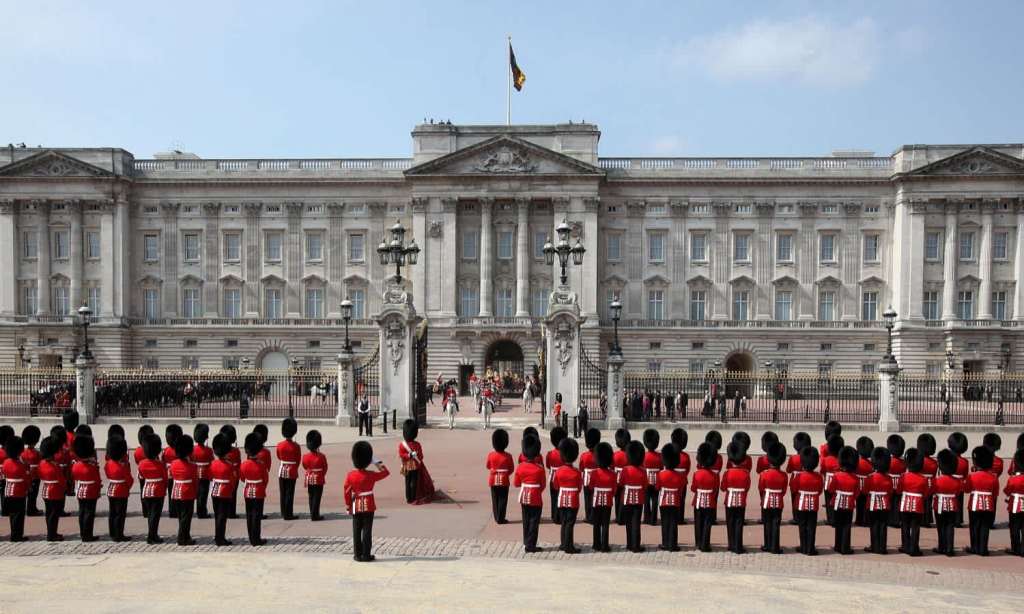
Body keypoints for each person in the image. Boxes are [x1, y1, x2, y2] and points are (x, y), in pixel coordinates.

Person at [344, 440, 390, 562]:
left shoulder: (350, 475)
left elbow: (347, 491)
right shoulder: (371, 475)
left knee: (356, 530)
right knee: (367, 531)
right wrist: (376, 461)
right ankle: (366, 554)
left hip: (356, 504)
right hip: (368, 504)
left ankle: (357, 554)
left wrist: (348, 505)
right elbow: (386, 472)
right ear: (367, 460)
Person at [513, 434, 545, 553]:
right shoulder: (539, 468)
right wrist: (535, 490)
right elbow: (543, 486)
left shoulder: (520, 467)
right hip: (536, 495)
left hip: (524, 495)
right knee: (534, 521)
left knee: (526, 519)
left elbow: (516, 483)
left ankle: (527, 541)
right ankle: (531, 545)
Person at [965, 445, 998, 556]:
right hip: (988, 504)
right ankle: (983, 548)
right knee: (985, 527)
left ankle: (975, 547)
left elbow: (967, 489)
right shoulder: (993, 477)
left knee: (974, 526)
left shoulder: (972, 476)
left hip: (974, 504)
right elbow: (995, 493)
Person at [791, 446, 823, 556]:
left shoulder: (799, 477)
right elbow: (819, 491)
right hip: (813, 504)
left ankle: (803, 547)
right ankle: (810, 548)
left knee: (802, 526)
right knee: (812, 526)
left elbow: (794, 489)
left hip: (800, 504)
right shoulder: (818, 477)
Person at [828, 446, 860, 555]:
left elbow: (831, 489)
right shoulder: (855, 478)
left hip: (837, 503)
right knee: (847, 526)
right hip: (849, 504)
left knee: (838, 525)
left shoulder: (836, 476)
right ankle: (845, 548)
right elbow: (857, 493)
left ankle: (837, 546)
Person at [552, 438, 582, 554]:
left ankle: (563, 544)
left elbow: (555, 486)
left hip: (561, 499)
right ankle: (569, 546)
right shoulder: (577, 472)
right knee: (570, 523)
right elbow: (579, 488)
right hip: (573, 499)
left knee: (564, 522)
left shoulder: (559, 471)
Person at [720, 441, 751, 554]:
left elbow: (723, 488)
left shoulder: (727, 473)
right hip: (741, 501)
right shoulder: (745, 473)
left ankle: (731, 545)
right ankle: (738, 546)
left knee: (730, 522)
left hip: (729, 500)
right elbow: (747, 488)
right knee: (739, 523)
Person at [759, 442, 788, 554]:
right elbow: (784, 491)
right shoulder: (783, 475)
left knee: (767, 523)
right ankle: (775, 547)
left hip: (766, 501)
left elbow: (761, 488)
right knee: (776, 523)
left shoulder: (764, 474)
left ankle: (767, 545)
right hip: (778, 502)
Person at [619, 440, 649, 553]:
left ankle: (629, 544)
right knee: (636, 522)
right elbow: (645, 485)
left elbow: (621, 483)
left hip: (626, 499)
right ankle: (636, 545)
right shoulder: (643, 471)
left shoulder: (625, 470)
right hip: (638, 499)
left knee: (628, 523)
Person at [70, 435, 101, 542]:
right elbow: (97, 480)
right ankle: (88, 535)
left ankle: (83, 533)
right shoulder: (92, 466)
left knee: (82, 512)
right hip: (91, 491)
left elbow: (74, 477)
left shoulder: (75, 466)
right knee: (89, 513)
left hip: (80, 489)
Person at [168, 434, 197, 546]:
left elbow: (171, 476)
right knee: (186, 517)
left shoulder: (173, 464)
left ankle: (186, 535)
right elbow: (195, 481)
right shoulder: (192, 466)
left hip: (176, 492)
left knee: (181, 517)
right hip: (187, 492)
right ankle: (182, 538)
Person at [932, 448, 962, 556]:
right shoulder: (957, 481)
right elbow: (958, 493)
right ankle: (950, 548)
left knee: (940, 527)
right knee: (950, 527)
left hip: (939, 505)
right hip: (952, 505)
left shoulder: (937, 480)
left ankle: (942, 547)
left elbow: (932, 491)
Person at [240, 432, 268, 546]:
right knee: (256, 516)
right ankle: (256, 539)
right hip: (259, 491)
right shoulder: (261, 465)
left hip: (247, 491)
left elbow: (242, 478)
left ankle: (251, 537)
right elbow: (265, 479)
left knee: (249, 515)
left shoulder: (244, 464)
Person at [209, 433, 237, 546]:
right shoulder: (230, 465)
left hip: (215, 491)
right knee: (222, 516)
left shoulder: (213, 464)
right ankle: (220, 538)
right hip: (225, 492)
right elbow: (233, 480)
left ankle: (218, 536)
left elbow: (210, 476)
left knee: (217, 515)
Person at [138, 434, 166, 544]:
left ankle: (152, 534)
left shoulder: (141, 464)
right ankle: (152, 536)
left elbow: (141, 477)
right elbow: (164, 478)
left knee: (150, 514)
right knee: (155, 515)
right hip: (157, 491)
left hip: (146, 491)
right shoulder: (160, 465)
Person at [864, 447, 893, 554]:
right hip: (885, 504)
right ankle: (882, 547)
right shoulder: (889, 478)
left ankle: (874, 546)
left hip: (872, 504)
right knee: (883, 526)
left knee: (874, 525)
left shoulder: (870, 478)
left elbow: (865, 490)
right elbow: (890, 492)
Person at [398, 419, 434, 505]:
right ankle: (413, 497)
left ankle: (408, 498)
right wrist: (413, 455)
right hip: (415, 466)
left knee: (407, 482)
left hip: (406, 465)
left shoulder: (401, 445)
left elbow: (401, 455)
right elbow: (421, 457)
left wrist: (408, 456)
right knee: (413, 482)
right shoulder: (417, 444)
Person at [691, 443, 719, 552]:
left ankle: (698, 542)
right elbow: (716, 489)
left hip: (698, 501)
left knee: (698, 522)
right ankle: (705, 544)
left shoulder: (697, 474)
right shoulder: (715, 476)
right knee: (707, 523)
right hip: (710, 502)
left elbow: (693, 488)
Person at [37, 436, 65, 541]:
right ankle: (52, 534)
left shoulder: (41, 463)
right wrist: (64, 488)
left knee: (49, 513)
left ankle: (51, 532)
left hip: (45, 490)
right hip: (55, 491)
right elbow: (61, 480)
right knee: (54, 514)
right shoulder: (55, 466)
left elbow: (39, 474)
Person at [590, 442, 616, 552]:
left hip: (596, 500)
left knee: (596, 523)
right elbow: (614, 490)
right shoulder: (613, 474)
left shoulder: (594, 473)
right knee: (605, 523)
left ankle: (596, 544)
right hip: (608, 501)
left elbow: (591, 487)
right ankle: (605, 545)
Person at [486, 429, 514, 524]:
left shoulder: (491, 455)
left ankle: (496, 517)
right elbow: (511, 469)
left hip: (493, 479)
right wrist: (505, 474)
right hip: (504, 479)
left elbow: (488, 466)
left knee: (495, 499)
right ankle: (501, 518)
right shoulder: (508, 456)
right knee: (503, 499)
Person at [3, 435, 28, 541]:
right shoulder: (20, 465)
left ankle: (14, 533)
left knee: (12, 514)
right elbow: (26, 478)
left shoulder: (6, 462)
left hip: (8, 490)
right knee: (19, 514)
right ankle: (17, 535)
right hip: (19, 491)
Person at [276, 417, 301, 521]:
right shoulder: (296, 446)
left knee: (283, 492)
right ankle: (288, 514)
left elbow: (278, 456)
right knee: (290, 493)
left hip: (282, 470)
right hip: (292, 471)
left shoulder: (280, 445)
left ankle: (283, 511)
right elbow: (298, 460)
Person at [302, 430, 328, 521]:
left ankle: (312, 513)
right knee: (317, 497)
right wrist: (321, 474)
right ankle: (315, 515)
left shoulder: (305, 456)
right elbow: (325, 468)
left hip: (309, 478)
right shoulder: (321, 456)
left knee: (311, 496)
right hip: (319, 478)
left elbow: (305, 466)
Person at [947, 432, 970, 528]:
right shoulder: (964, 462)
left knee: (949, 501)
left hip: (949, 482)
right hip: (960, 484)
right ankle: (958, 520)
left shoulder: (948, 459)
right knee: (959, 502)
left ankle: (950, 519)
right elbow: (965, 475)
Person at [1005, 449, 1024, 556]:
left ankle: (1015, 548)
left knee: (1014, 527)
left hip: (1015, 505)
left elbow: (1007, 490)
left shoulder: (1013, 479)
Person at [641, 429, 662, 526]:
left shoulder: (644, 456)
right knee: (654, 499)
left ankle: (647, 518)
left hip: (646, 479)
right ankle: (653, 519)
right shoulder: (659, 456)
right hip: (657, 479)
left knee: (646, 499)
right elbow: (661, 468)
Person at [579, 428, 600, 523]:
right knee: (595, 498)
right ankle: (595, 516)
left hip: (587, 479)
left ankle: (589, 516)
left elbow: (581, 468)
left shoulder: (584, 455)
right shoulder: (599, 454)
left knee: (587, 499)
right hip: (597, 478)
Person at [546, 427, 566, 524]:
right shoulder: (564, 453)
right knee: (561, 496)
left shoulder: (550, 454)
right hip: (563, 477)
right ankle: (560, 516)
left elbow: (547, 465)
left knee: (554, 497)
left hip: (553, 477)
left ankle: (554, 515)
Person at [192, 424, 213, 520]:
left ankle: (198, 510)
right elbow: (211, 462)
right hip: (205, 474)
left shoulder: (192, 449)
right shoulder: (208, 450)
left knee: (197, 493)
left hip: (195, 473)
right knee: (203, 494)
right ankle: (202, 512)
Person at [162, 424, 183, 519]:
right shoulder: (179, 450)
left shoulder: (165, 451)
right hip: (178, 474)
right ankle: (177, 510)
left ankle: (172, 511)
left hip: (168, 474)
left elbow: (163, 462)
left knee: (171, 492)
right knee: (178, 493)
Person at [917, 433, 938, 528]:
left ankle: (921, 519)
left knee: (921, 501)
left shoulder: (919, 460)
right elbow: (934, 473)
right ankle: (927, 519)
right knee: (928, 502)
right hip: (930, 483)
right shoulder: (934, 462)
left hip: (921, 482)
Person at [886, 435, 906, 529]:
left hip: (890, 482)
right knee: (898, 502)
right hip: (899, 483)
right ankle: (897, 520)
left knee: (890, 502)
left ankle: (890, 519)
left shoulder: (889, 461)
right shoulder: (903, 462)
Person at [20, 426, 41, 517]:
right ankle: (31, 509)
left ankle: (30, 508)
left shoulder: (23, 452)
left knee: (28, 493)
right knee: (33, 494)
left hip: (26, 475)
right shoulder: (37, 453)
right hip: (35, 475)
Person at [853, 436, 874, 527]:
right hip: (868, 484)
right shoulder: (871, 464)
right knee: (866, 503)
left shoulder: (857, 462)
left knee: (859, 504)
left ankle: (859, 519)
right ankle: (866, 520)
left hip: (858, 484)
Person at [671, 428, 690, 525]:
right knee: (681, 500)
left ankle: (673, 517)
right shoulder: (686, 456)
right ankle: (680, 518)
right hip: (682, 480)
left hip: (671, 479)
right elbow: (687, 469)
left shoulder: (671, 453)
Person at [612, 428, 630, 525]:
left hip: (616, 478)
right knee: (624, 498)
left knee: (617, 498)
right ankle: (623, 517)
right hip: (626, 478)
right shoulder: (629, 454)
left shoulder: (615, 455)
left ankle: (618, 517)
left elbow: (611, 466)